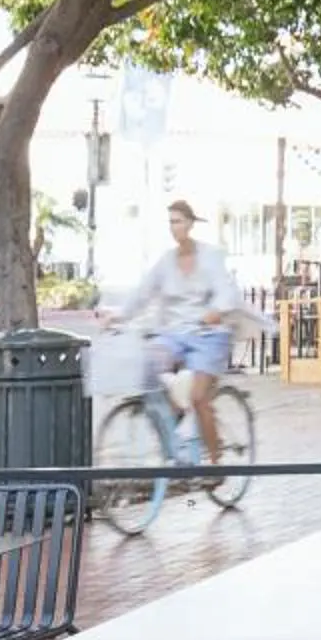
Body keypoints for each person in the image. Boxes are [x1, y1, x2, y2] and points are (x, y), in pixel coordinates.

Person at [107, 199, 244, 466]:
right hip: (176, 333)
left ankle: (215, 463)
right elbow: (143, 293)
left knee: (199, 397)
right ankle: (177, 427)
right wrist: (119, 315)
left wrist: (216, 311)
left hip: (209, 334)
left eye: (179, 221)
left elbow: (227, 291)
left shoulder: (210, 256)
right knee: (148, 364)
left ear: (191, 223)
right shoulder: (166, 262)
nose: (174, 227)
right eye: (171, 222)